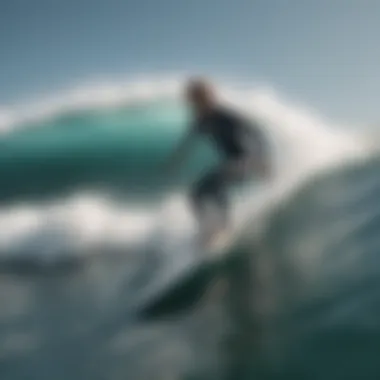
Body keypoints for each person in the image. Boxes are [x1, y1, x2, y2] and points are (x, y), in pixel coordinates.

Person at [166, 78, 271, 246]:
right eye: (192, 101)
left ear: (207, 98)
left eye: (197, 99)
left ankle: (224, 228)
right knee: (196, 194)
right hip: (232, 162)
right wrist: (174, 161)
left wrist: (262, 160)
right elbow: (189, 141)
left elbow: (254, 133)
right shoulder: (201, 120)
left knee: (215, 184)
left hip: (246, 160)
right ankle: (207, 230)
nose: (194, 105)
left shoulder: (225, 116)